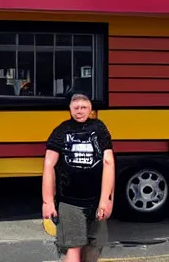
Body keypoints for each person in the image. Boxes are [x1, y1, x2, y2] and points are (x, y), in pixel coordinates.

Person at [42, 93, 115, 262]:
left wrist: (106, 199)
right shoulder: (61, 130)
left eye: (83, 107)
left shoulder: (99, 129)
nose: (80, 111)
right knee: (72, 247)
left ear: (90, 109)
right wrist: (48, 202)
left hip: (96, 201)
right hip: (69, 202)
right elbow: (48, 164)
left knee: (93, 248)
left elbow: (109, 163)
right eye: (76, 108)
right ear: (70, 109)